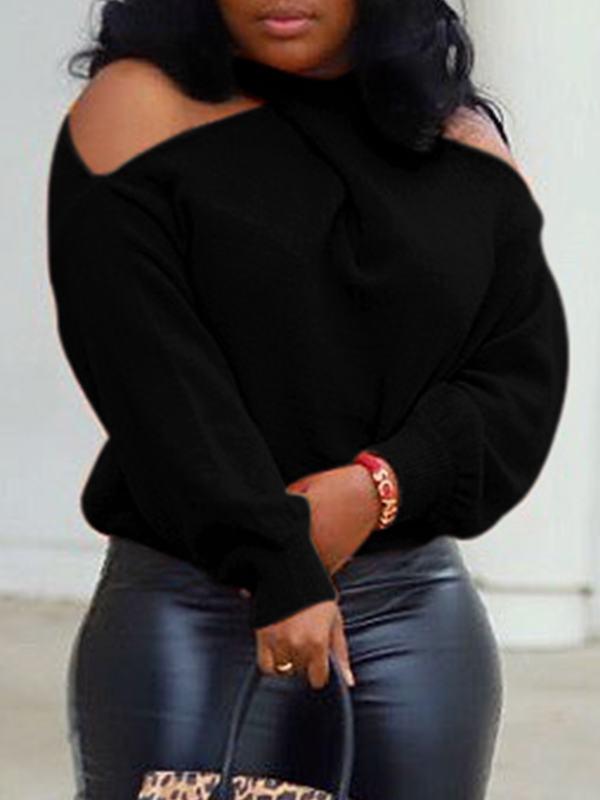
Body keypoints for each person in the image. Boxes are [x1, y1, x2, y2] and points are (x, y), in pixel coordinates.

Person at [46, 0, 569, 798]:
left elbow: (514, 379)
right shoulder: (135, 114)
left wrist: (378, 486)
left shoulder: (456, 138)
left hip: (411, 614)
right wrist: (280, 564)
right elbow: (154, 380)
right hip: (198, 612)